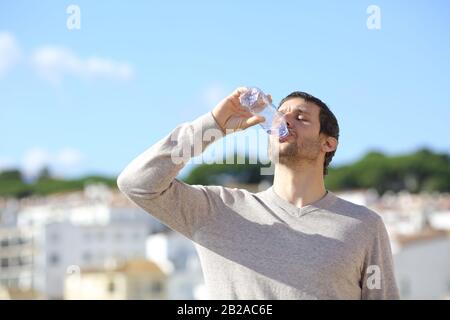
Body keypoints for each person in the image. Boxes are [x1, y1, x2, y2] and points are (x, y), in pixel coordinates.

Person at [117, 87, 400, 299]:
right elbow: (136, 183)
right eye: (280, 114)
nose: (285, 121)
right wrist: (212, 126)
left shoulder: (364, 226)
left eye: (300, 117)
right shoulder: (217, 210)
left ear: (328, 143)